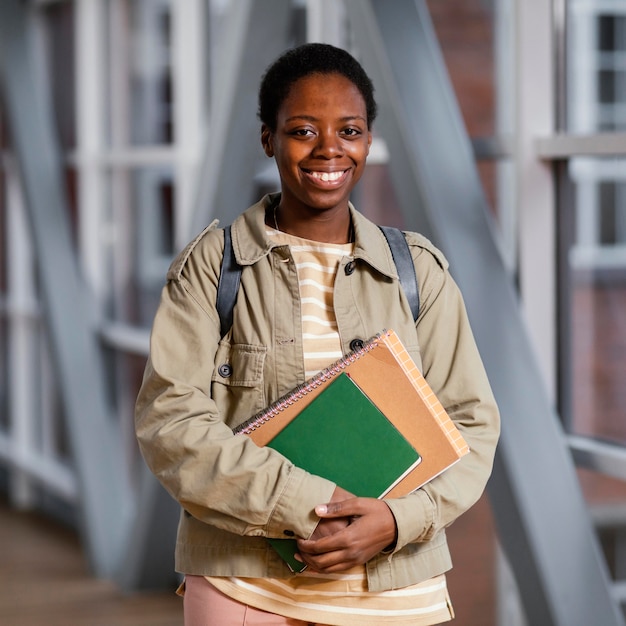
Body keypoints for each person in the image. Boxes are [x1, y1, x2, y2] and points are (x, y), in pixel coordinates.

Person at [135, 42, 500, 626]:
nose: (329, 149)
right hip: (245, 586)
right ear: (268, 139)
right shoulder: (215, 264)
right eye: (304, 130)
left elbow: (473, 424)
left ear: (368, 141)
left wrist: (397, 521)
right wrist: (307, 506)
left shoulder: (418, 271)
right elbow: (170, 420)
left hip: (398, 591)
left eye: (349, 131)